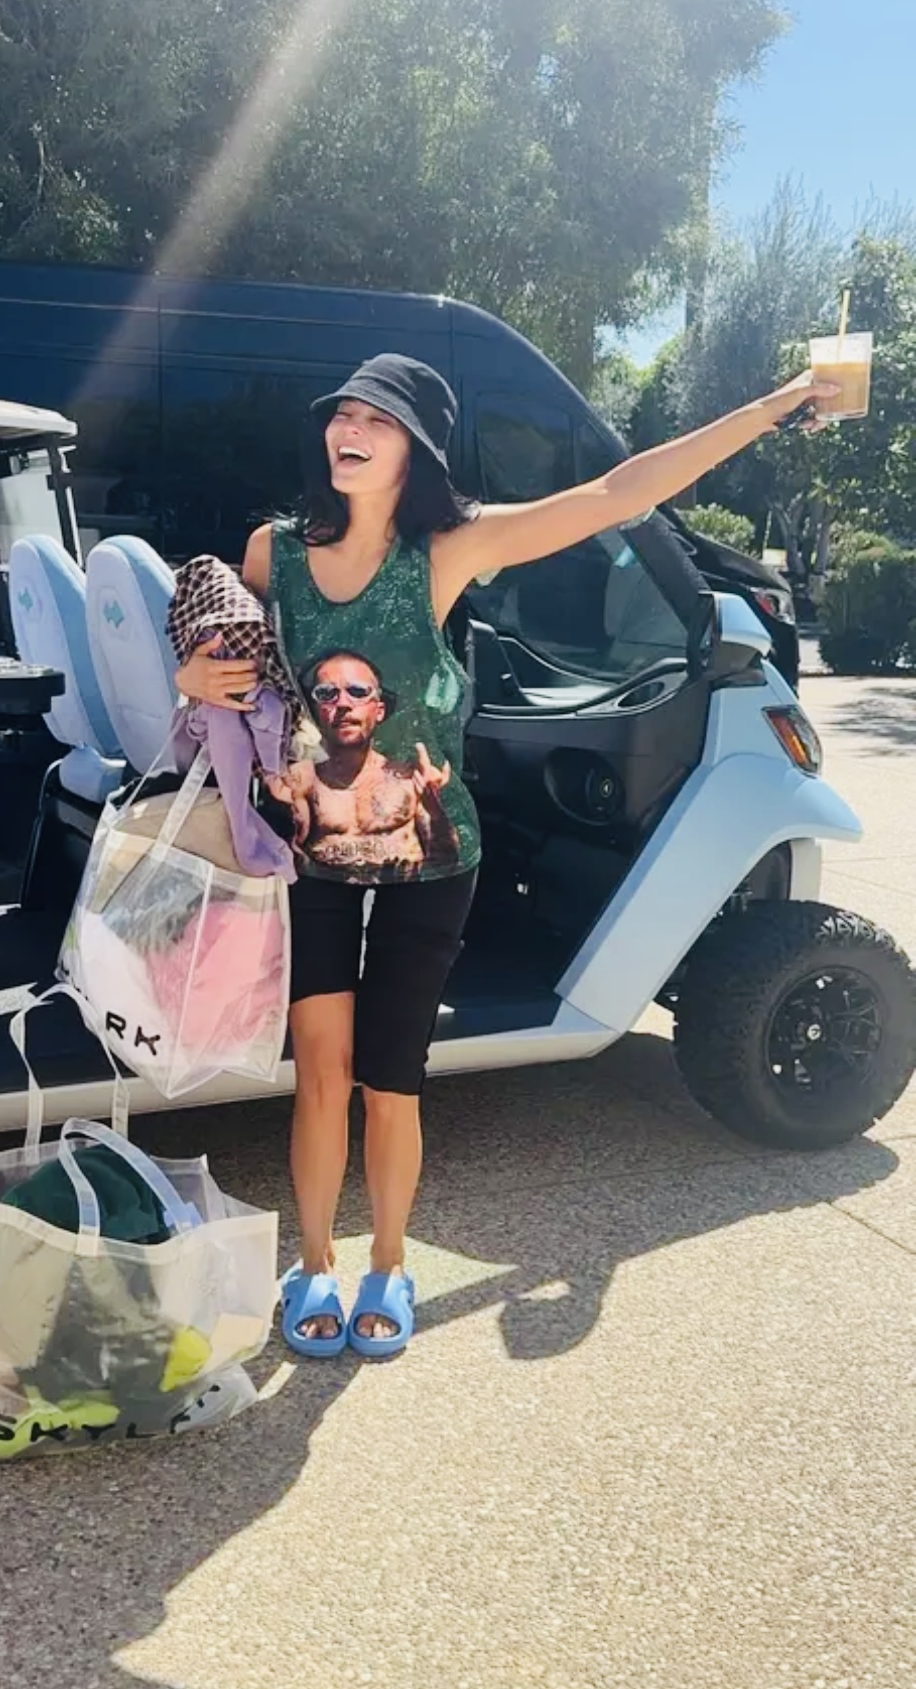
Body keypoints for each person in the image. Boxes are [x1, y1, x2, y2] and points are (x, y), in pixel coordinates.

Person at [174, 351, 836, 1360]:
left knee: (391, 1080)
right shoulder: (276, 552)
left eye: (377, 420)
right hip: (308, 860)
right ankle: (314, 1265)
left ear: (416, 449)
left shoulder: (449, 549)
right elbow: (227, 646)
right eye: (343, 414)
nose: (350, 430)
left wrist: (775, 405)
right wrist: (192, 670)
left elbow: (618, 493)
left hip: (430, 862)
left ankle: (387, 1267)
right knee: (320, 1074)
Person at [265, 649, 460, 879]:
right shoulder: (300, 782)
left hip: (399, 893)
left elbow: (446, 861)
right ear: (316, 711)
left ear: (379, 711)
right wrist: (281, 817)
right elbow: (284, 867)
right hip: (327, 894)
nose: (343, 703)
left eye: (357, 692)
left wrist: (435, 809)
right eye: (326, 693)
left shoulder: (410, 781)